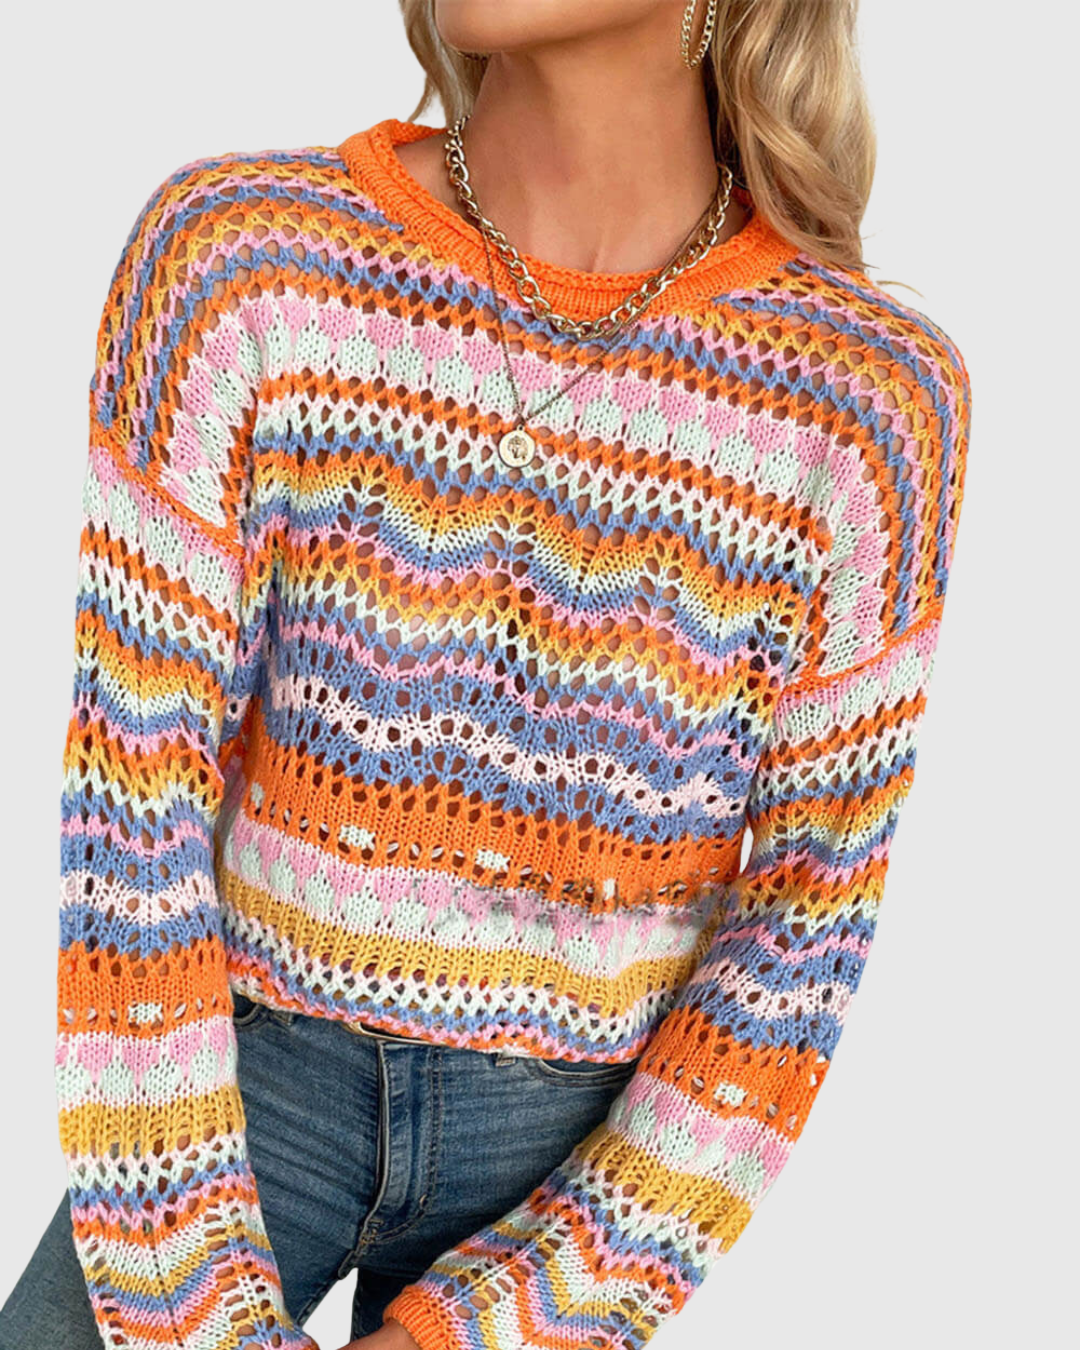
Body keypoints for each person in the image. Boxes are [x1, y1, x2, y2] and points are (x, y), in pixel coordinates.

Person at [0, 1, 973, 1348]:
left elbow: (805, 924)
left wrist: (522, 1312)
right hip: (230, 1087)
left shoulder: (866, 404)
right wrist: (187, 1293)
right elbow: (134, 797)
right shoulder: (241, 263)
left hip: (580, 1165)